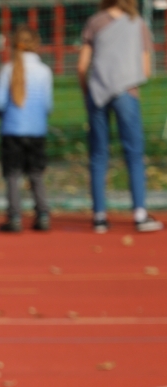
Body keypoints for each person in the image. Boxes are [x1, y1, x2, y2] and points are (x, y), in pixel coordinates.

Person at [78, 0, 163, 233]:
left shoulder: (95, 22)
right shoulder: (137, 23)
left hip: (98, 93)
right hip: (127, 92)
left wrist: (88, 92)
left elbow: (82, 66)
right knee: (134, 153)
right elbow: (146, 68)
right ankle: (140, 214)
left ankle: (99, 217)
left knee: (98, 154)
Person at [0, 26, 53, 232]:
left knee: (12, 175)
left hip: (12, 130)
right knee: (36, 173)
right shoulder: (44, 71)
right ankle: (43, 214)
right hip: (37, 131)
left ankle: (15, 217)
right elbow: (47, 105)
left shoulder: (6, 70)